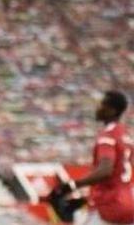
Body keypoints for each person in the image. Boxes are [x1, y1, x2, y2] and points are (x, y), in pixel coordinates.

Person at [49, 90, 133, 225]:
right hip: (127, 202)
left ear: (112, 110)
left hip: (109, 205)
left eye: (102, 104)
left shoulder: (108, 135)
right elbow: (117, 176)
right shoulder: (125, 135)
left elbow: (106, 170)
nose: (98, 108)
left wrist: (72, 185)